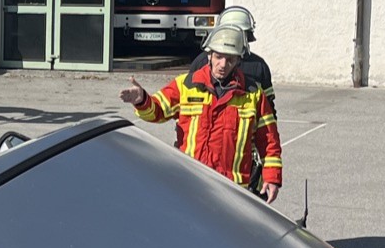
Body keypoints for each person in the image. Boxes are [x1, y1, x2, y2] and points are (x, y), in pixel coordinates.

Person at [120, 25, 283, 204]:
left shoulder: (253, 94)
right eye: (218, 57)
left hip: (233, 191)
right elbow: (157, 111)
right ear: (209, 55)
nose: (222, 64)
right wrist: (142, 99)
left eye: (229, 59)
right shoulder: (186, 85)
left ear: (238, 61)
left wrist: (272, 177)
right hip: (189, 184)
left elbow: (269, 140)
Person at [188, 5, 277, 193]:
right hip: (241, 163)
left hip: (212, 166)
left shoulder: (201, 61)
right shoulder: (260, 66)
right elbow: (270, 118)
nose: (223, 64)